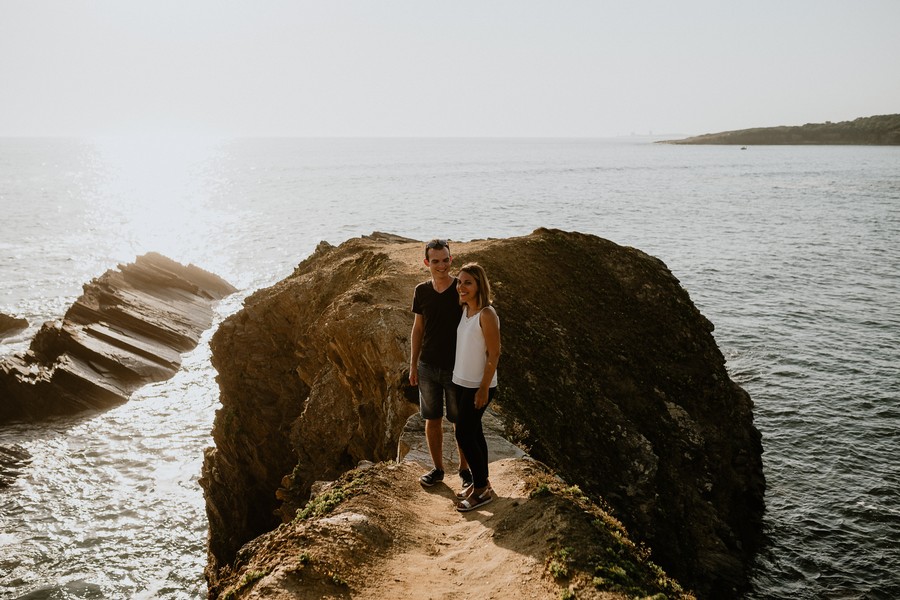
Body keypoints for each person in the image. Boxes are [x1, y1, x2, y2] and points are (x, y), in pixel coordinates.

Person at [409, 239, 472, 489]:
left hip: (458, 368)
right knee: (432, 419)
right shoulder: (421, 290)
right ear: (427, 262)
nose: (441, 265)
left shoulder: (462, 289)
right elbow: (418, 328)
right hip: (427, 366)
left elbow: (477, 323)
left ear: (451, 260)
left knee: (460, 421)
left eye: (445, 260)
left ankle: (465, 470)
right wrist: (413, 365)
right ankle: (437, 469)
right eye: (435, 261)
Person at [452, 262, 500, 512]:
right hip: (461, 381)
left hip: (478, 386)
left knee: (463, 433)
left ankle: (481, 490)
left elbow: (494, 354)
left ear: (479, 285)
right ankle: (483, 483)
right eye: (459, 282)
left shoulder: (486, 314)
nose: (461, 287)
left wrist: (483, 388)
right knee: (474, 432)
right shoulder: (465, 310)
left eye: (468, 282)